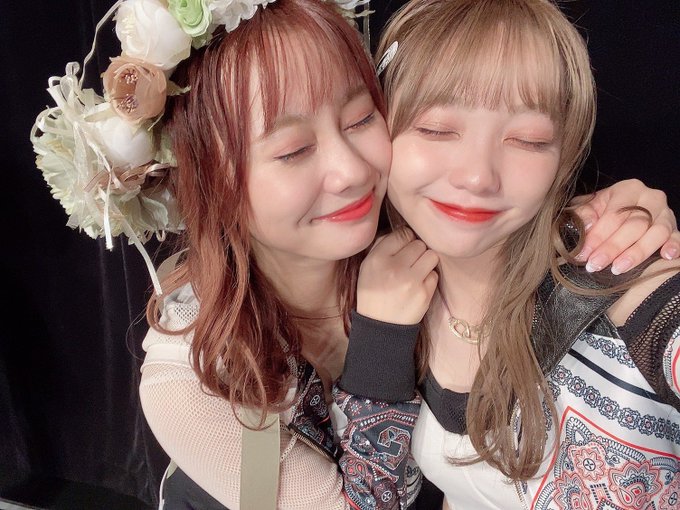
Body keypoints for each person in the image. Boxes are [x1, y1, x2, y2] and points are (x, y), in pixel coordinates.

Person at [28, 0, 679, 508]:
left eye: (361, 119)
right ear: (207, 184)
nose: (352, 171)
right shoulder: (191, 380)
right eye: (292, 151)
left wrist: (611, 225)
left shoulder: (416, 232)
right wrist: (381, 343)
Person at [353, 0, 680, 508]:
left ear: (563, 154)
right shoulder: (389, 292)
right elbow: (380, 495)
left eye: (528, 140)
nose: (478, 176)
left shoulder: (624, 283)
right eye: (436, 129)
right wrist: (379, 340)